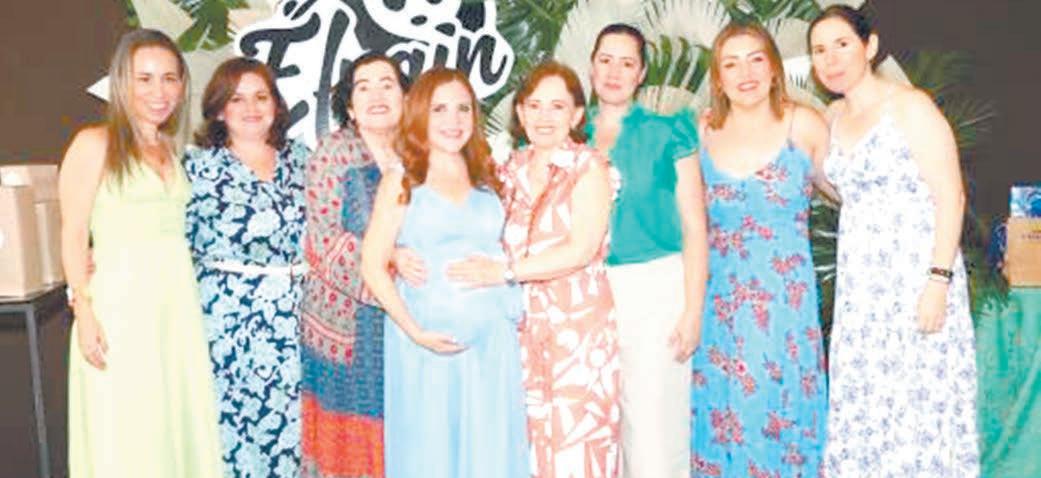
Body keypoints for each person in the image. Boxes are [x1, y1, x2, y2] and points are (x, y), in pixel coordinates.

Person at [809, 6, 980, 476]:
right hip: (862, 292)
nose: (831, 59)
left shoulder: (909, 106)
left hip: (918, 279)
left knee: (918, 405)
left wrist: (938, 280)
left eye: (842, 44)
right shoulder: (831, 116)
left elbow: (951, 195)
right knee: (869, 404)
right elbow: (842, 190)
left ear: (870, 47)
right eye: (819, 50)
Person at [59, 29, 222, 477]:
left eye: (169, 78)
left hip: (176, 308)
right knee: (127, 426)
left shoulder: (170, 149)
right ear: (121, 82)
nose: (158, 91)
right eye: (144, 79)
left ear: (182, 86)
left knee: (172, 421)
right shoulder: (93, 143)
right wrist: (83, 310)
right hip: (120, 309)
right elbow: (73, 232)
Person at [446, 61, 621, 476]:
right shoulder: (506, 171)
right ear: (521, 114)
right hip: (519, 333)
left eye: (557, 106)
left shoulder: (589, 167)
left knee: (578, 452)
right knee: (524, 452)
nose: (545, 117)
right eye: (535, 106)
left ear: (576, 115)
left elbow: (581, 248)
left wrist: (505, 272)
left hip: (578, 335)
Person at [360, 67, 528, 478]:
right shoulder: (402, 179)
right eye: (439, 109)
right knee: (430, 454)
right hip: (427, 348)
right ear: (420, 113)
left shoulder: (488, 175)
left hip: (492, 344)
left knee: (491, 453)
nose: (453, 120)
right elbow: (371, 265)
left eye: (463, 109)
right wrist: (415, 332)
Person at [688, 22, 830, 477]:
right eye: (731, 64)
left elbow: (851, 191)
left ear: (773, 68)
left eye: (755, 59)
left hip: (785, 308)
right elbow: (685, 221)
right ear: (718, 78)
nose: (745, 73)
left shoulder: (804, 125)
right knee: (723, 414)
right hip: (719, 307)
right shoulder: (701, 132)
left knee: (782, 412)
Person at [585, 23, 708, 477]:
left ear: (640, 75)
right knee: (594, 425)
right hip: (582, 293)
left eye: (627, 63)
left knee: (653, 427)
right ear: (591, 67)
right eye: (606, 60)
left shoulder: (668, 132)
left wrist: (692, 309)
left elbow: (695, 225)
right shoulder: (563, 131)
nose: (614, 72)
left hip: (655, 287)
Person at [184, 57, 308, 477]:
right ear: (219, 109)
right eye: (237, 99)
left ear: (276, 104)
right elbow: (167, 238)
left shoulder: (302, 160)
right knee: (237, 433)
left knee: (297, 433)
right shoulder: (197, 168)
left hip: (299, 322)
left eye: (261, 96)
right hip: (229, 325)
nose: (251, 108)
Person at [299, 52, 408, 478]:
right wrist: (392, 268)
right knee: (353, 451)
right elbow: (326, 244)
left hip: (410, 316)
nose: (377, 95)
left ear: (405, 96)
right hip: (349, 324)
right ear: (349, 104)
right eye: (364, 87)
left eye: (387, 84)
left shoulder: (423, 152)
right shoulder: (333, 153)